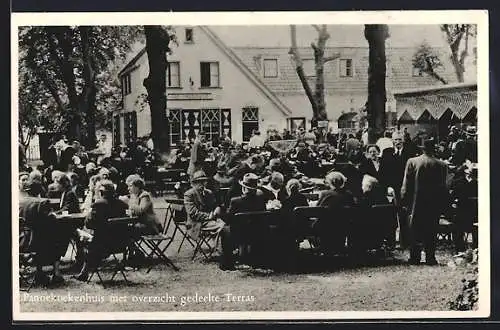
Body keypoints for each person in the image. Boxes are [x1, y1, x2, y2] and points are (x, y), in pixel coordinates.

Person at [401, 138, 448, 265]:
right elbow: (444, 187)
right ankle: (430, 257)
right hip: (433, 203)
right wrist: (444, 205)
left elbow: (406, 184)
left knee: (415, 229)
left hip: (416, 202)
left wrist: (404, 201)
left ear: (422, 149)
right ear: (434, 149)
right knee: (431, 229)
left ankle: (415, 258)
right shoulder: (442, 165)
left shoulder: (412, 162)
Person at [74, 180, 129, 281]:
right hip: (121, 243)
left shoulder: (98, 204)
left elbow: (89, 224)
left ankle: (83, 269)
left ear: (101, 192)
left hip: (101, 245)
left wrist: (89, 214)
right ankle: (84, 270)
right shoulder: (122, 204)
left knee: (78, 233)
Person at [219, 173, 267, 270]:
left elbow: (228, 219)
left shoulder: (235, 201)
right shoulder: (261, 199)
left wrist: (220, 212)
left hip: (239, 234)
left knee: (224, 230)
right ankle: (257, 260)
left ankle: (227, 264)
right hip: (258, 232)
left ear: (244, 188)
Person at [379, 130, 418, 248]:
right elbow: (382, 172)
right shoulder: (387, 153)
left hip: (406, 189)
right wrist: (387, 187)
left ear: (404, 140)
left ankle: (405, 242)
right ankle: (391, 242)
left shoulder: (410, 152)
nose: (397, 142)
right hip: (392, 189)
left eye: (400, 140)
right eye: (395, 140)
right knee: (391, 216)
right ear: (392, 141)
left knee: (405, 215)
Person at [317, 171, 355, 253]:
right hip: (345, 225)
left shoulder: (325, 194)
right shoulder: (349, 195)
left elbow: (317, 210)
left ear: (330, 182)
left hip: (327, 226)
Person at [183, 170, 225, 241]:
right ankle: (219, 249)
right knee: (222, 227)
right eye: (199, 182)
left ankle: (220, 248)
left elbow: (214, 205)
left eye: (204, 182)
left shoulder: (209, 193)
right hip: (196, 223)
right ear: (194, 183)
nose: (202, 184)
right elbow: (193, 213)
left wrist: (217, 208)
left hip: (210, 220)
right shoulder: (189, 194)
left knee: (227, 226)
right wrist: (208, 216)